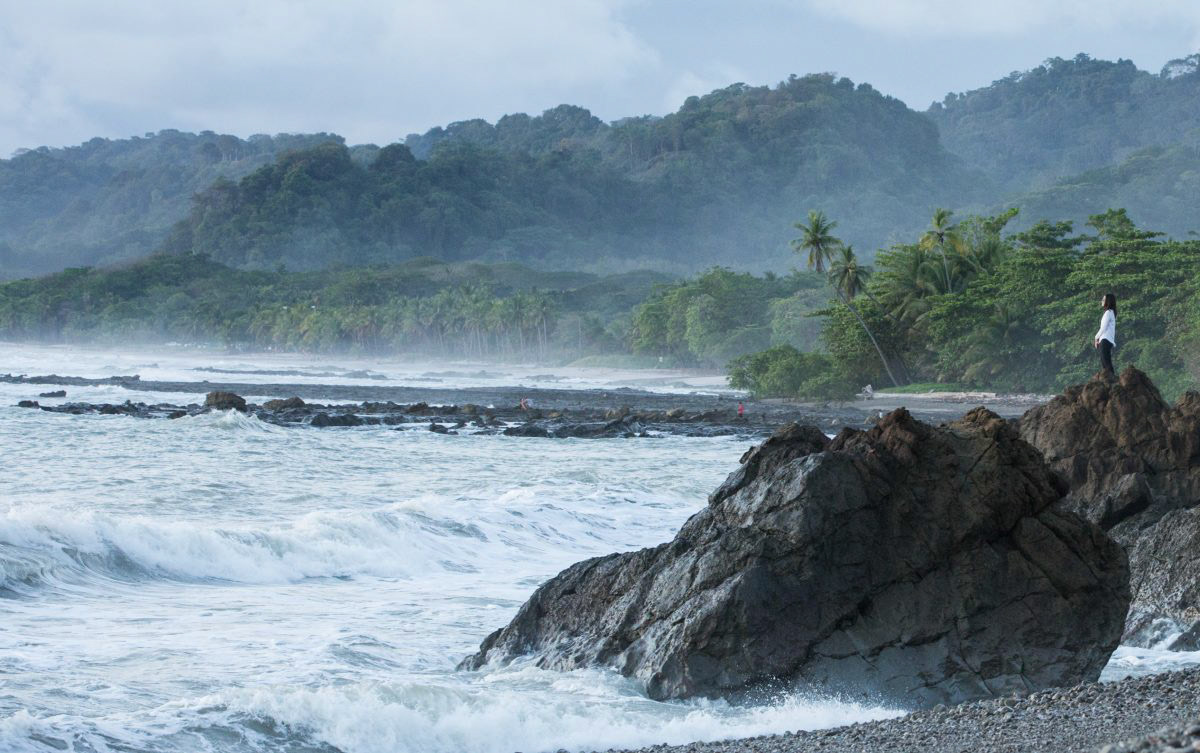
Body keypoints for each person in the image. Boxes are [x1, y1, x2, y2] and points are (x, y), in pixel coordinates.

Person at [1093, 292, 1117, 375]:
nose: (1101, 301)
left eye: (1103, 300)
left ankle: (1112, 381)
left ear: (1108, 301)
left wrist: (1096, 338)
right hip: (1107, 340)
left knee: (1106, 364)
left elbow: (1103, 328)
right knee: (1106, 363)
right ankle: (1111, 380)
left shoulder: (1108, 313)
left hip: (1105, 340)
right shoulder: (1111, 313)